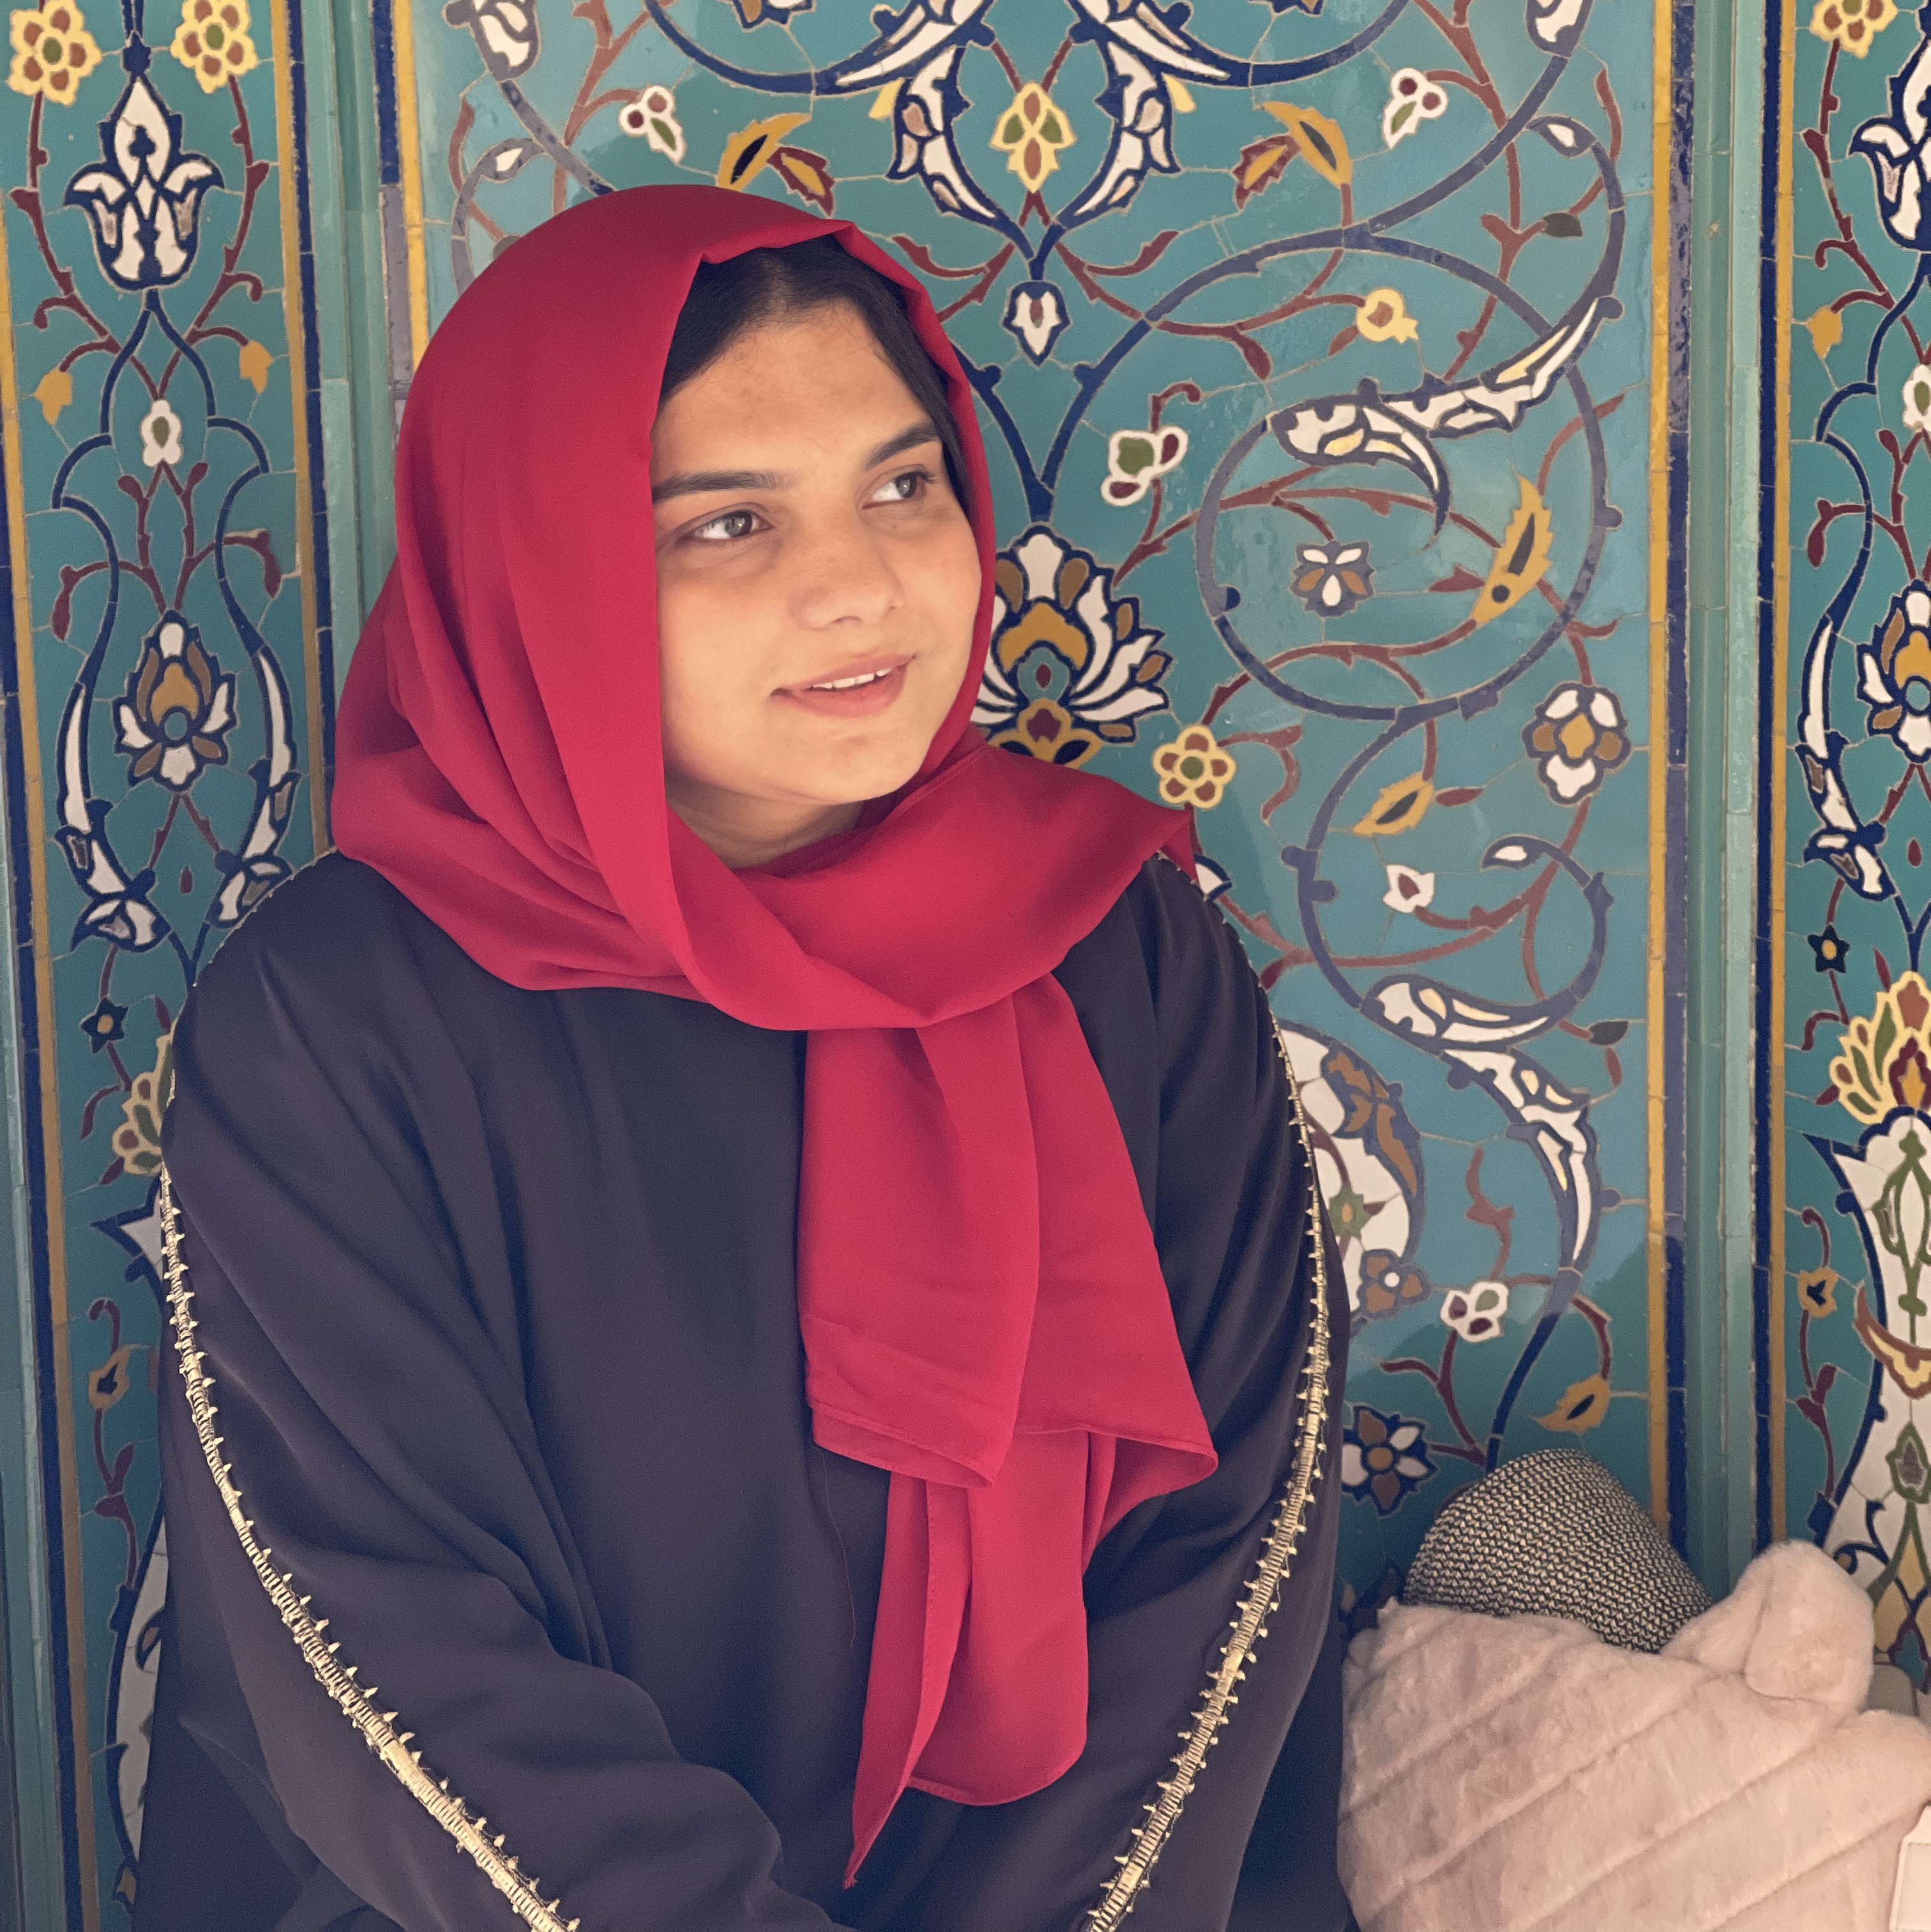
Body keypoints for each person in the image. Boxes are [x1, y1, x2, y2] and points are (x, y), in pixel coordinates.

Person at [133, 189, 1351, 1932]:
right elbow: (388, 1650)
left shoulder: (1115, 944)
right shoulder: (333, 1026)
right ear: (539, 567)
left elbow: (1225, 1558)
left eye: (903, 486)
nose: (859, 586)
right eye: (725, 524)